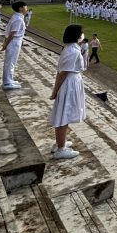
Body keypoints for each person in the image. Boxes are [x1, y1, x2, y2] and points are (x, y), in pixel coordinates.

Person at [49, 24, 87, 160]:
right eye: (81, 33)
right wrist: (55, 91)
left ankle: (61, 142)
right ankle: (60, 149)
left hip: (72, 82)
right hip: (69, 84)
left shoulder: (71, 48)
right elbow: (63, 73)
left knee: (66, 114)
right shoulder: (73, 51)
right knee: (64, 115)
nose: (83, 35)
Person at [1, 1, 28, 90]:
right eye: (25, 6)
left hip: (14, 41)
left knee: (11, 62)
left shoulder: (16, 17)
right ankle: (7, 82)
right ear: (20, 8)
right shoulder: (18, 19)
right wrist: (5, 44)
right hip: (14, 42)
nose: (26, 8)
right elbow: (12, 33)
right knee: (10, 62)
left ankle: (9, 79)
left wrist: (5, 43)